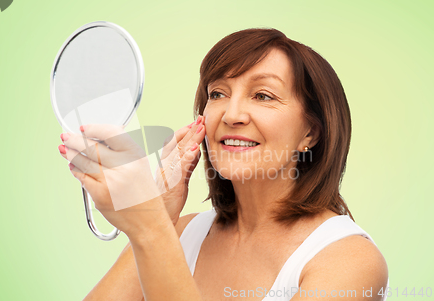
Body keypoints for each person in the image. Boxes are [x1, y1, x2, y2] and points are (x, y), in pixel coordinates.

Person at [58, 28, 389, 301]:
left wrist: (150, 226)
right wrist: (159, 214)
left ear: (311, 133)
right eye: (217, 94)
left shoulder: (350, 261)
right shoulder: (181, 232)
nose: (231, 115)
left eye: (263, 95)